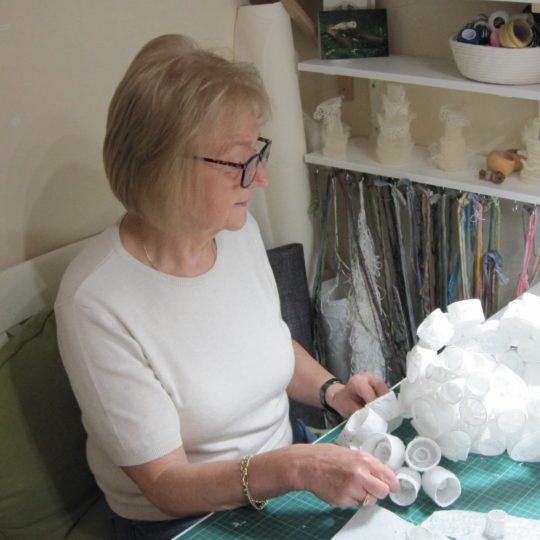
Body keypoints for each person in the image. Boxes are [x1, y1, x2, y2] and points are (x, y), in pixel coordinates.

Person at [55, 34, 399, 540]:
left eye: (257, 152)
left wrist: (333, 392)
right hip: (188, 519)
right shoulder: (96, 302)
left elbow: (269, 342)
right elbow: (165, 485)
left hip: (284, 466)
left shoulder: (235, 235)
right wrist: (296, 468)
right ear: (166, 168)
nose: (260, 181)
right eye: (241, 161)